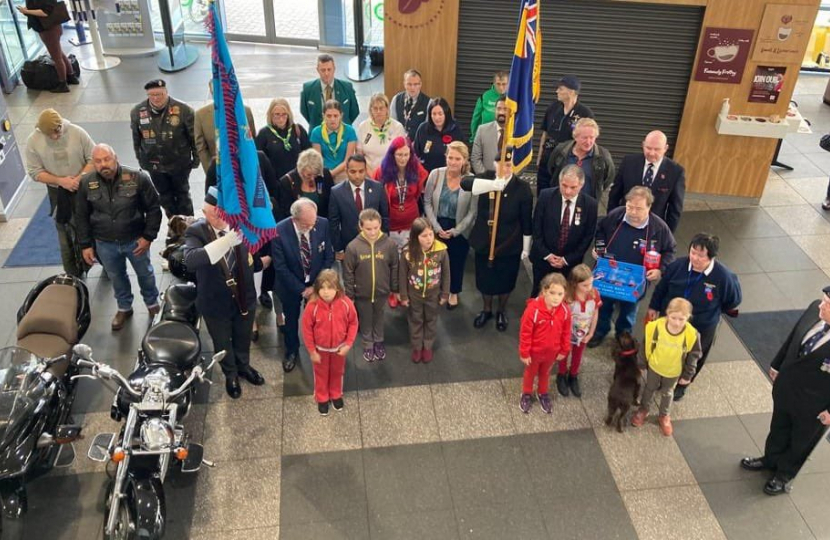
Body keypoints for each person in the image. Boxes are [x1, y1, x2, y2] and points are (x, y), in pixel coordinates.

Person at [740, 286, 830, 495]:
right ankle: (770, 459)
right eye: (823, 299)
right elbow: (793, 338)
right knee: (778, 427)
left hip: (815, 405)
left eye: (827, 304)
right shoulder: (813, 311)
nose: (821, 305)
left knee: (800, 440)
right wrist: (777, 364)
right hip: (787, 389)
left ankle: (783, 475)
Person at [183, 187, 266, 399]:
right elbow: (191, 260)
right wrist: (227, 241)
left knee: (243, 337)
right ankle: (230, 374)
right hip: (215, 302)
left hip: (244, 298)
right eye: (211, 213)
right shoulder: (197, 231)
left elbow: (254, 255)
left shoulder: (242, 226)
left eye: (220, 213)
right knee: (222, 342)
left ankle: (244, 367)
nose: (215, 217)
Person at [75, 144, 162, 331]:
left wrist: (148, 237)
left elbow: (154, 209)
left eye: (107, 159)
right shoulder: (86, 183)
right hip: (104, 243)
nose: (103, 164)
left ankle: (153, 304)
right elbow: (81, 216)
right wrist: (85, 245)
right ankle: (124, 307)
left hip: (135, 241)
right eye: (98, 161)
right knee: (116, 277)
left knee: (145, 274)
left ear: (116, 158)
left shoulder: (138, 178)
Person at [648, 233, 742, 401]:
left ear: (711, 257)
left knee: (695, 355)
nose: (695, 258)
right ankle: (663, 376)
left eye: (701, 255)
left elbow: (733, 300)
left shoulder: (724, 277)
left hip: (702, 325)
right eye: (693, 252)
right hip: (671, 320)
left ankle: (683, 384)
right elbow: (662, 288)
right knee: (667, 348)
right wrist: (654, 306)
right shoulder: (677, 266)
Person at [589, 186, 676, 347]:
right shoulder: (616, 216)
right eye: (630, 207)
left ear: (649, 207)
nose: (633, 213)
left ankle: (623, 336)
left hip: (636, 281)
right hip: (609, 275)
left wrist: (660, 270)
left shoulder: (659, 228)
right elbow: (600, 230)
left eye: (639, 209)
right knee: (603, 306)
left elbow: (670, 250)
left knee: (629, 312)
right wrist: (599, 249)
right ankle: (600, 331)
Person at [461, 148, 533, 332]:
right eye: (501, 164)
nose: (505, 168)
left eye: (508, 164)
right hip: (485, 241)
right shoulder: (487, 177)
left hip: (509, 243)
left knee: (505, 280)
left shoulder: (522, 189)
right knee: (485, 279)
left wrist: (525, 248)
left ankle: (501, 310)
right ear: (494, 164)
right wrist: (491, 186)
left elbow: (526, 221)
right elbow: (465, 183)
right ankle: (486, 309)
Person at [25, 109, 95, 278]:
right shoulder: (33, 141)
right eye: (50, 135)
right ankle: (73, 276)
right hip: (58, 194)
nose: (55, 137)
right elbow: (35, 172)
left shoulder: (77, 133)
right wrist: (61, 181)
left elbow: (93, 158)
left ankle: (106, 265)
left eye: (57, 132)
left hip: (84, 188)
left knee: (95, 226)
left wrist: (78, 179)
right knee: (65, 235)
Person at [271, 198, 334, 372]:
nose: (312, 227)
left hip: (317, 283)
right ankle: (292, 350)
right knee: (291, 320)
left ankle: (320, 346)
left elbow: (328, 256)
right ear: (295, 219)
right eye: (307, 224)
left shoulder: (322, 223)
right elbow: (281, 268)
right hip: (290, 286)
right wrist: (302, 290)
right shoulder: (278, 231)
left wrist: (316, 286)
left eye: (314, 222)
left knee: (319, 318)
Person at [631, 298, 701, 437]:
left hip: (673, 371)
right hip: (654, 366)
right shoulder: (655, 327)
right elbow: (646, 345)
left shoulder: (692, 334)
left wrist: (688, 375)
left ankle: (664, 415)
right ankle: (644, 409)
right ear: (667, 314)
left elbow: (694, 355)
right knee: (649, 388)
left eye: (682, 319)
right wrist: (641, 363)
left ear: (688, 318)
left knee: (668, 393)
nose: (677, 322)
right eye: (673, 318)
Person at [130, 79, 198, 218]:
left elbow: (193, 137)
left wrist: (196, 159)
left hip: (179, 162)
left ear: (166, 92)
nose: (156, 98)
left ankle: (189, 224)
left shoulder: (184, 110)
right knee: (165, 196)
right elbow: (137, 138)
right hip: (154, 164)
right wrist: (141, 159)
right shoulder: (138, 112)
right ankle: (174, 224)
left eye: (159, 94)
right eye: (152, 95)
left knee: (182, 194)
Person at [423, 141, 478, 309]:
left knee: (456, 262)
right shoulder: (435, 174)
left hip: (459, 228)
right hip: (436, 225)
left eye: (457, 158)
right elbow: (427, 203)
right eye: (450, 157)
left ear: (464, 160)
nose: (453, 162)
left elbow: (472, 212)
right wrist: (437, 228)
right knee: (434, 263)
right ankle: (437, 290)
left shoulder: (471, 180)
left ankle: (453, 292)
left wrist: (456, 231)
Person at [530, 164, 598, 296]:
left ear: (581, 185)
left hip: (570, 264)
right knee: (539, 294)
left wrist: (566, 259)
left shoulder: (590, 205)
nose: (567, 191)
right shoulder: (546, 196)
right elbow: (536, 227)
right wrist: (548, 255)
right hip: (543, 260)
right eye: (564, 185)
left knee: (565, 297)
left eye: (573, 187)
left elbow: (587, 237)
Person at [343, 209, 399, 363]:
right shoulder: (353, 247)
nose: (373, 232)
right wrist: (349, 295)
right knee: (366, 319)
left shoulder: (389, 244)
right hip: (362, 293)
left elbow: (395, 266)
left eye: (376, 228)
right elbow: (348, 273)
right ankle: (368, 343)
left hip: (382, 291)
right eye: (368, 229)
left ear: (380, 224)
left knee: (379, 317)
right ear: (360, 226)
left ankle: (379, 340)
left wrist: (394, 288)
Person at [301, 269, 358, 416]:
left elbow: (353, 323)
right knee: (320, 374)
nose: (326, 292)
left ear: (338, 288)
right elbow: (306, 329)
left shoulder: (346, 304)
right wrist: (312, 351)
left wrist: (348, 344)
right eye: (322, 288)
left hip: (339, 349)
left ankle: (336, 394)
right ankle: (322, 397)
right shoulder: (312, 307)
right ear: (317, 289)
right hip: (320, 350)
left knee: (337, 372)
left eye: (330, 287)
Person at [608, 131, 686, 232]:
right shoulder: (629, 162)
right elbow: (614, 195)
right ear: (643, 145)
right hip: (623, 223)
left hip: (652, 229)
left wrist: (666, 235)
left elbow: (675, 209)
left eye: (657, 149)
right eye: (648, 148)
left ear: (665, 148)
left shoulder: (675, 172)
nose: (652, 153)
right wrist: (611, 221)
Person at [518, 273, 571, 414]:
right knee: (530, 373)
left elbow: (566, 332)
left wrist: (564, 350)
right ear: (544, 291)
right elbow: (525, 333)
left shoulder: (565, 311)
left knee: (545, 373)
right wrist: (524, 352)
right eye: (552, 293)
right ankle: (526, 393)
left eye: (560, 294)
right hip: (534, 353)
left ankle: (543, 392)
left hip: (552, 352)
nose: (556, 297)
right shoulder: (532, 311)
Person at [398, 218, 450, 363]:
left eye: (430, 234)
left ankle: (427, 346)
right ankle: (417, 346)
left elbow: (446, 273)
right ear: (415, 237)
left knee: (431, 320)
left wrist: (445, 293)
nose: (429, 239)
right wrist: (403, 295)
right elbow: (402, 275)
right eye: (424, 236)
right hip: (414, 295)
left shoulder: (441, 250)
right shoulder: (407, 252)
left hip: (433, 294)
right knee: (416, 320)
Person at [536, 75, 594, 193]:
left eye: (561, 89)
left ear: (571, 92)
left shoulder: (584, 112)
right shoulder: (553, 108)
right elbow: (545, 133)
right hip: (547, 156)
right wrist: (539, 157)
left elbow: (589, 140)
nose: (557, 91)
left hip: (567, 160)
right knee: (543, 191)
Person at [329, 154, 389, 259]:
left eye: (361, 171)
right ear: (346, 171)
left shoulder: (378, 188)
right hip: (349, 246)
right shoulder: (336, 192)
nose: (357, 175)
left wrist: (384, 241)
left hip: (375, 243)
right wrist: (339, 249)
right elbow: (334, 223)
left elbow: (384, 216)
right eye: (353, 172)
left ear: (366, 170)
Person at [548, 118, 614, 206]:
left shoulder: (603, 156)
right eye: (584, 137)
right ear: (575, 137)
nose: (588, 142)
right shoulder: (561, 151)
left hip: (588, 206)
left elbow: (607, 179)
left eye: (592, 137)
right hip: (561, 203)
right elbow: (551, 172)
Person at [558, 264, 601, 398]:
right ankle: (561, 375)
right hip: (566, 334)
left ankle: (573, 375)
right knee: (563, 354)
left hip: (583, 334)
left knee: (578, 355)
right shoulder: (567, 298)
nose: (589, 288)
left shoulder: (594, 294)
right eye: (585, 285)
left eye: (591, 284)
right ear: (575, 284)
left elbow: (595, 313)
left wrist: (591, 333)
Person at [194, 81, 256, 173]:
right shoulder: (201, 115)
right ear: (211, 93)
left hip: (244, 170)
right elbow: (201, 148)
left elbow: (252, 140)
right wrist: (211, 171)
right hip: (218, 171)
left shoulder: (245, 112)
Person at [17, 0, 77, 92]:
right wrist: (26, 11)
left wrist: (26, 11)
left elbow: (45, 12)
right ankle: (72, 77)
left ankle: (63, 84)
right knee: (59, 54)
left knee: (56, 57)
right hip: (52, 27)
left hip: (49, 29)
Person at [300, 53, 359, 131]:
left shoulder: (347, 87)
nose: (326, 73)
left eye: (329, 69)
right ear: (317, 70)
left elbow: (354, 111)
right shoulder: (308, 89)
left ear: (334, 69)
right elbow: (304, 111)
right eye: (323, 70)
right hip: (318, 137)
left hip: (343, 135)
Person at [255, 98, 310, 181]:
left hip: (298, 180)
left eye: (284, 114)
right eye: (277, 114)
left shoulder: (298, 130)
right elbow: (259, 161)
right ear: (271, 114)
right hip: (275, 182)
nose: (281, 118)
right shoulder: (264, 133)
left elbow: (308, 155)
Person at [276, 148, 334, 220]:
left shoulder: (325, 174)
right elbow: (286, 212)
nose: (312, 178)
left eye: (315, 174)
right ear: (301, 169)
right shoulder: (286, 182)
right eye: (309, 175)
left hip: (322, 223)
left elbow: (331, 204)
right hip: (299, 223)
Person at [356, 93, 406, 175]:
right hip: (369, 174)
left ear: (387, 109)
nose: (378, 111)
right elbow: (360, 155)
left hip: (392, 174)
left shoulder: (397, 127)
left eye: (381, 108)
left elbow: (402, 155)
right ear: (371, 110)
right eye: (375, 108)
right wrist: (373, 175)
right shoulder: (363, 126)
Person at [309, 100, 358, 182]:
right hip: (324, 172)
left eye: (336, 116)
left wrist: (331, 174)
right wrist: (327, 174)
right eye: (329, 116)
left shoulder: (350, 131)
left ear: (341, 115)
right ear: (323, 116)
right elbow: (318, 159)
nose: (332, 119)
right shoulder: (316, 132)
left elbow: (347, 160)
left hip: (344, 172)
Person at [413, 97, 465, 172]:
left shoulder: (455, 129)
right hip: (427, 173)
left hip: (450, 173)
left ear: (446, 114)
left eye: (440, 114)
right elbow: (415, 154)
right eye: (434, 114)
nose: (437, 117)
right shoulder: (423, 129)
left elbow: (462, 154)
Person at [471, 95, 508, 176]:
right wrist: (486, 178)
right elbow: (475, 158)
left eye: (505, 109)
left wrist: (509, 178)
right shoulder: (482, 130)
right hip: (486, 182)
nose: (501, 112)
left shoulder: (518, 135)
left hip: (509, 183)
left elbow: (522, 161)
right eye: (498, 108)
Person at [390, 69, 431, 141]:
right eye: (409, 84)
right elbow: (391, 124)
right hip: (399, 142)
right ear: (404, 84)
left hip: (418, 143)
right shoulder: (396, 99)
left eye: (416, 84)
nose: (412, 88)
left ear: (420, 84)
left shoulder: (429, 102)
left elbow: (427, 129)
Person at [469, 71, 509, 143]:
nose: (501, 87)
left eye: (504, 84)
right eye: (498, 84)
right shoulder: (485, 97)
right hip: (486, 137)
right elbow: (476, 118)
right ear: (494, 83)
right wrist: (474, 136)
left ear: (508, 84)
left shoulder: (513, 98)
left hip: (507, 138)